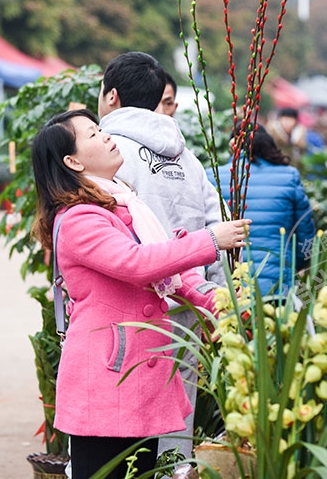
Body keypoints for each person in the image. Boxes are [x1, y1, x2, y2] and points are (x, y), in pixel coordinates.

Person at [30, 108, 250, 479]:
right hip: (106, 379)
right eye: (92, 134)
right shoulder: (79, 218)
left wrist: (225, 306)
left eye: (100, 128)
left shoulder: (124, 206)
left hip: (136, 378)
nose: (105, 136)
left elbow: (173, 275)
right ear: (72, 161)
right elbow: (138, 264)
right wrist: (211, 240)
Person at [96, 51, 227, 460]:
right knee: (175, 424)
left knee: (115, 431)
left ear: (112, 96)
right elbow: (218, 231)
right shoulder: (189, 159)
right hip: (187, 307)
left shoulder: (106, 152)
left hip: (126, 310)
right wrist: (218, 303)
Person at [208, 123, 316, 296]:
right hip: (277, 283)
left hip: (228, 285)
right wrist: (297, 263)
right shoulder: (289, 177)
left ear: (232, 146)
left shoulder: (213, 178)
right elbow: (305, 232)